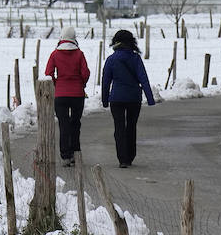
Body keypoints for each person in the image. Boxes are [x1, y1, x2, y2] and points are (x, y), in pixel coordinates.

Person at [101, 28, 156, 168]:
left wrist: (105, 99)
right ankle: (130, 156)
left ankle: (122, 159)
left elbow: (106, 81)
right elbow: (143, 78)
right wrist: (150, 98)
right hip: (134, 98)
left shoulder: (111, 59)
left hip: (116, 99)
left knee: (119, 128)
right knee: (131, 127)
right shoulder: (135, 58)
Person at [45, 26, 90, 167]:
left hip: (61, 94)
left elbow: (48, 73)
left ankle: (65, 155)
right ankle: (76, 153)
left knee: (63, 124)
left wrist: (57, 84)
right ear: (74, 37)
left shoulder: (54, 54)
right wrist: (81, 84)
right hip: (77, 94)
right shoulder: (79, 54)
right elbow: (85, 73)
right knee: (76, 123)